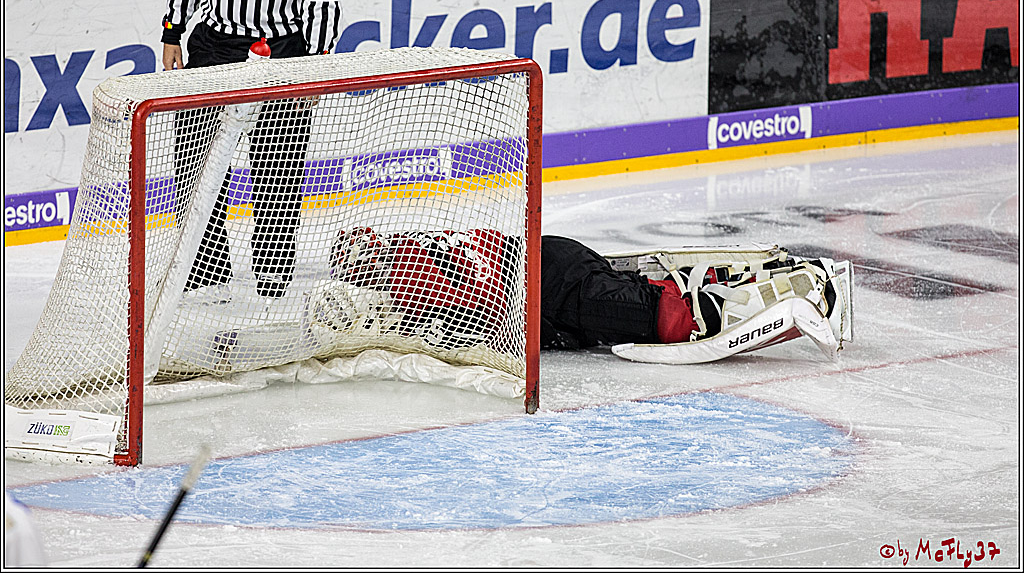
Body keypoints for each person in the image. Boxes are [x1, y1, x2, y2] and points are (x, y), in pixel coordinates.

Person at [161, 0, 343, 299]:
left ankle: (273, 274)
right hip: (213, 49)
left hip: (280, 53)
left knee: (277, 170)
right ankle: (205, 271)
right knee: (193, 163)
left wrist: (315, 63)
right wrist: (173, 31)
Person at [312, 228, 854, 364]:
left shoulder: (411, 272)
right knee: (651, 300)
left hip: (557, 286)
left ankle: (805, 287)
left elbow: (487, 306)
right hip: (558, 273)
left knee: (670, 320)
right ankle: (745, 283)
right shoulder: (414, 257)